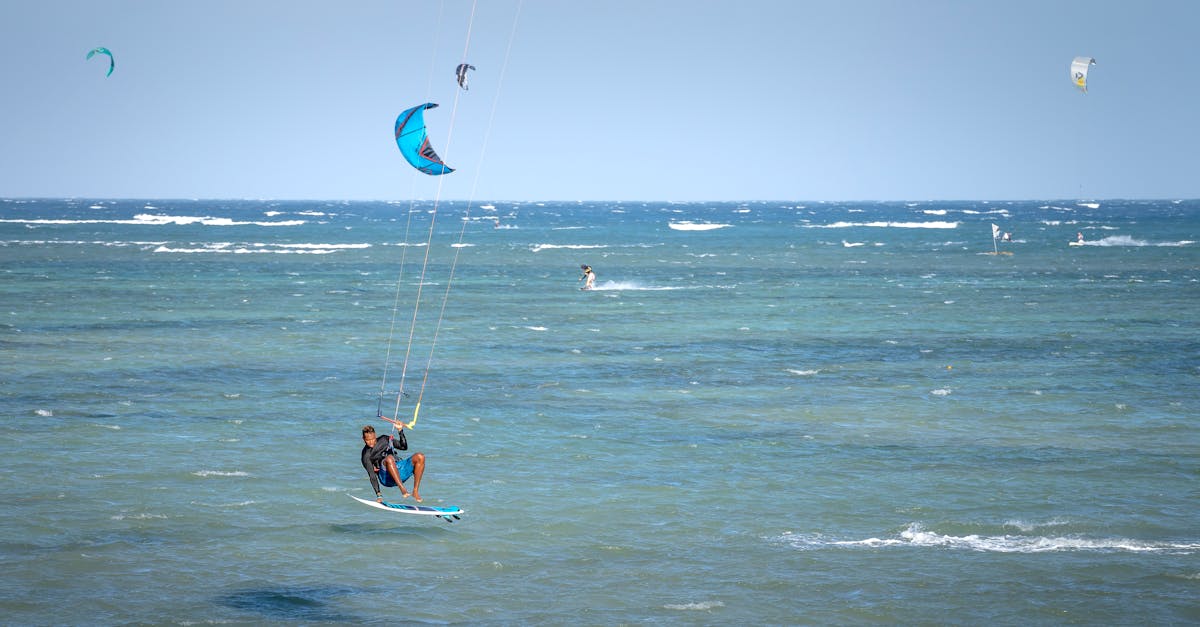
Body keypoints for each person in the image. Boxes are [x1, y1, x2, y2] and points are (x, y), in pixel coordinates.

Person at [361, 420, 425, 502]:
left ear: (375, 435)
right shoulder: (366, 455)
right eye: (368, 440)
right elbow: (372, 475)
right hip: (386, 478)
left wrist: (400, 430)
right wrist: (378, 495)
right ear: (363, 439)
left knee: (420, 456)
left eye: (373, 439)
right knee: (389, 458)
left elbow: (403, 447)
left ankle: (415, 491)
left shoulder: (384, 439)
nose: (371, 442)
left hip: (399, 470)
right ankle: (402, 489)